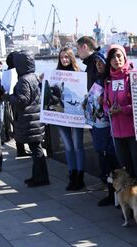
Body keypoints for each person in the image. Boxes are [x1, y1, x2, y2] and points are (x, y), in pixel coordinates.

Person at [103, 44, 137, 184]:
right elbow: (105, 102)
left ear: (124, 56)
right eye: (113, 57)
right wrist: (107, 111)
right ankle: (130, 201)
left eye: (119, 56)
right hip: (117, 132)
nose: (116, 60)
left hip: (134, 131)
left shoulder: (134, 75)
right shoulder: (108, 80)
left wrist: (123, 109)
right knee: (126, 170)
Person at [83, 49, 120, 206]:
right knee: (104, 159)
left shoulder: (111, 81)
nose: (98, 65)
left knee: (113, 161)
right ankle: (111, 194)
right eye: (96, 62)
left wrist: (103, 101)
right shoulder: (99, 80)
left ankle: (117, 197)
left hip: (110, 128)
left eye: (101, 62)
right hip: (98, 126)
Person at [10, 50, 50, 187]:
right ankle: (37, 176)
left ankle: (41, 178)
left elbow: (22, 101)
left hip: (29, 120)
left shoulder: (23, 80)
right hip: (35, 117)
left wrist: (8, 96)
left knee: (36, 150)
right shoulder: (34, 77)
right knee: (36, 149)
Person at [54, 46, 86, 190]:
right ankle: (72, 175)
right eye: (62, 57)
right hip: (61, 114)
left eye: (66, 57)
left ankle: (80, 177)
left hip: (76, 114)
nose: (64, 59)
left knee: (78, 145)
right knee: (68, 146)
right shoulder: (55, 74)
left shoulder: (79, 73)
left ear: (72, 58)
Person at [6, 51, 29, 158]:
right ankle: (22, 148)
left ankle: (20, 148)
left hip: (11, 100)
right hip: (18, 101)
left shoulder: (7, 72)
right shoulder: (18, 72)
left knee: (16, 125)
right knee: (21, 124)